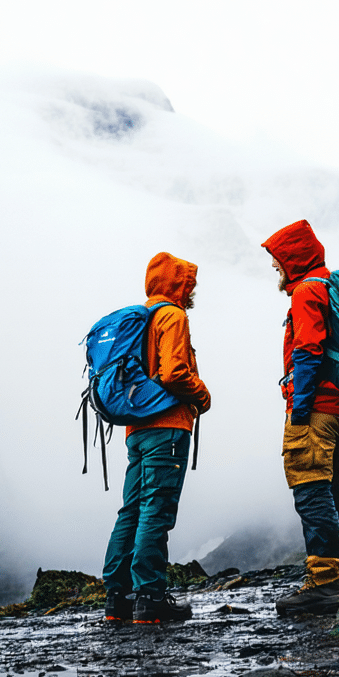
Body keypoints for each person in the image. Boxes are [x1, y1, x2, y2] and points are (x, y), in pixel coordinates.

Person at [261, 220, 339, 616]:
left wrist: (300, 409)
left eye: (278, 259)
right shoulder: (332, 286)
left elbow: (307, 351)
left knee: (310, 488)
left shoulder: (307, 290)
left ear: (294, 258)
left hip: (316, 409)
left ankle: (323, 583)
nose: (274, 266)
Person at [102, 252, 212, 624]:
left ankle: (117, 598)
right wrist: (202, 396)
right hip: (167, 428)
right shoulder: (172, 316)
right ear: (178, 285)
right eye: (189, 285)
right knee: (156, 509)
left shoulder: (139, 318)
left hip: (136, 430)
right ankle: (150, 597)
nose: (192, 292)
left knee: (131, 509)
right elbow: (174, 373)